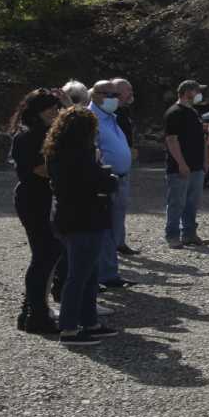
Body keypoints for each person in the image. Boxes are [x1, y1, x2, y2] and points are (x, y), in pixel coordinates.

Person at [47, 107, 119, 345]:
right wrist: (108, 176)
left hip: (69, 217)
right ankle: (69, 328)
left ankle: (90, 322)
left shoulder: (57, 151)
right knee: (79, 276)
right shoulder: (79, 154)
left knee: (88, 274)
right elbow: (99, 181)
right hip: (84, 219)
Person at [9, 89, 67, 335]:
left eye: (57, 108)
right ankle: (36, 316)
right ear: (37, 112)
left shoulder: (45, 131)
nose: (55, 113)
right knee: (45, 254)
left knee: (47, 254)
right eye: (51, 109)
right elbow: (38, 169)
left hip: (44, 197)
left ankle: (31, 310)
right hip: (33, 199)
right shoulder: (27, 136)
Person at [86, 80, 135, 288]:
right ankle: (104, 275)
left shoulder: (112, 117)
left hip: (120, 179)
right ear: (95, 95)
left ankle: (110, 272)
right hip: (104, 182)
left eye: (117, 95)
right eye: (110, 95)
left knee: (114, 229)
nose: (115, 99)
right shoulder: (90, 119)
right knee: (104, 230)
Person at [162, 80, 208, 249]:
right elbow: (171, 140)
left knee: (192, 202)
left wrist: (204, 161)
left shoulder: (194, 113)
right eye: (197, 91)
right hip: (179, 168)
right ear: (187, 92)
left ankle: (189, 234)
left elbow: (201, 139)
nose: (199, 94)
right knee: (176, 202)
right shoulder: (174, 113)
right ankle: (172, 235)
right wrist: (181, 163)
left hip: (196, 166)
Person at [111, 78, 139, 256]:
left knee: (121, 206)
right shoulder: (110, 113)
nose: (131, 93)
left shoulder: (124, 111)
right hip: (112, 167)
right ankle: (112, 245)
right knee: (112, 207)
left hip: (125, 164)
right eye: (128, 90)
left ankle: (119, 242)